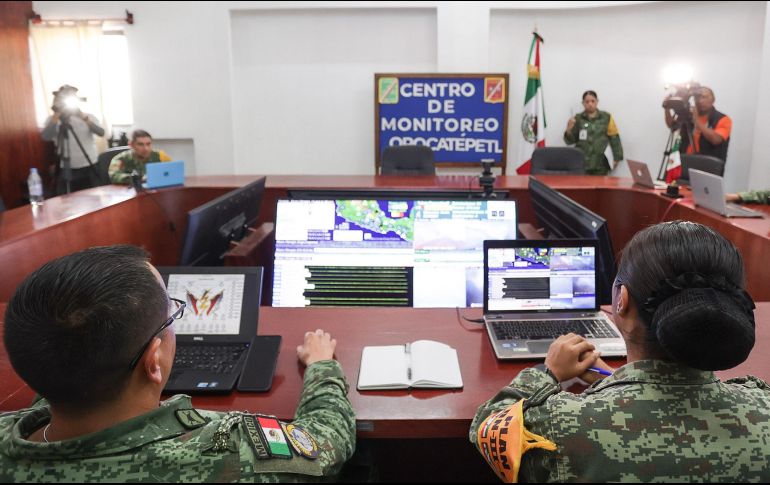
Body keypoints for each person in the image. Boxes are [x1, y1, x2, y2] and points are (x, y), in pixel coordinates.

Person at [0, 246, 356, 482]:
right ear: (153, 362)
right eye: (171, 312)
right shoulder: (232, 453)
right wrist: (321, 365)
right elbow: (327, 442)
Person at [470, 221, 770, 482]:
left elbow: (488, 427)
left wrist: (548, 373)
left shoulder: (559, 426)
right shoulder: (763, 410)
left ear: (621, 301)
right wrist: (615, 379)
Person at [41, 85, 106, 194]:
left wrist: (84, 118)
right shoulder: (53, 120)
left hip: (89, 164)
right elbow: (46, 136)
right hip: (66, 167)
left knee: (93, 199)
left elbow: (101, 132)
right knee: (67, 202)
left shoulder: (88, 117)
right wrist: (57, 112)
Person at [563, 90, 624, 175]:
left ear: (597, 101)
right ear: (583, 103)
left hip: (601, 164)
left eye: (593, 101)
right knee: (583, 187)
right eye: (587, 102)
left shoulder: (606, 117)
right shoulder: (578, 118)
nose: (590, 104)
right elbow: (570, 141)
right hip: (582, 163)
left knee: (601, 187)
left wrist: (617, 158)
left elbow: (614, 138)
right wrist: (568, 129)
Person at [664, 86, 731, 162]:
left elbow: (716, 140)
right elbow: (672, 126)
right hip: (683, 160)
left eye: (704, 97)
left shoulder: (723, 119)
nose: (700, 101)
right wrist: (667, 108)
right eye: (697, 98)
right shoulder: (688, 114)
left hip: (706, 164)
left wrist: (696, 120)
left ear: (713, 99)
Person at [108, 130, 172, 185]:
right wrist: (138, 179)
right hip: (130, 193)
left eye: (148, 144)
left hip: (155, 191)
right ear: (131, 145)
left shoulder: (161, 156)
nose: (146, 148)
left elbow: (171, 173)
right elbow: (114, 176)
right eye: (140, 144)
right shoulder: (121, 159)